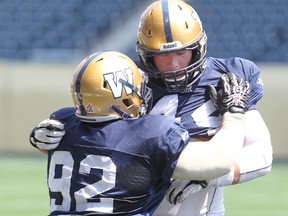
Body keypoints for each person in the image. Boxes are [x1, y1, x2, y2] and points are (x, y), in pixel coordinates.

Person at [30, 50, 250, 215]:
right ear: (123, 94)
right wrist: (234, 113)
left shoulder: (62, 123)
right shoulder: (150, 133)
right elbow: (219, 160)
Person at [135, 0, 273, 215]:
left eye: (181, 53)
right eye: (162, 55)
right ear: (147, 55)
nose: (173, 65)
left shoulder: (228, 77)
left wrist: (206, 175)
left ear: (198, 48)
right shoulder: (129, 82)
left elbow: (262, 156)